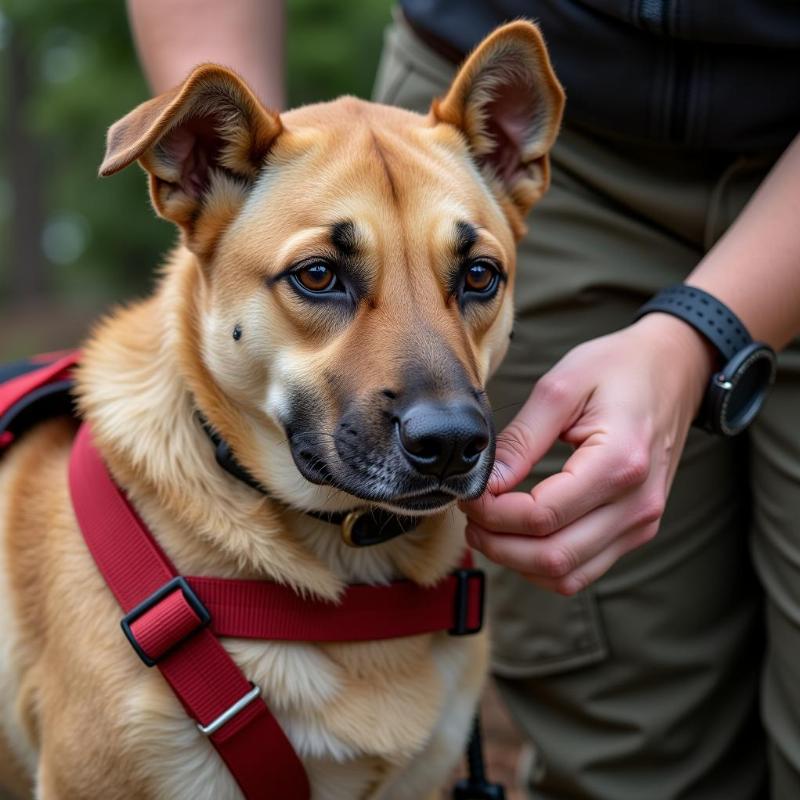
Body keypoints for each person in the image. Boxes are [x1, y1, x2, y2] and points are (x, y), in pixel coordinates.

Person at [127, 1, 800, 797]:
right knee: (627, 748)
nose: (444, 423)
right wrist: (245, 177)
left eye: (473, 277)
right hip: (540, 101)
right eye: (320, 277)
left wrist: (699, 334)